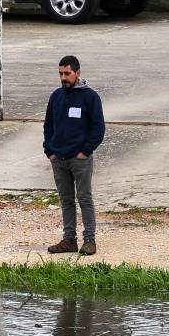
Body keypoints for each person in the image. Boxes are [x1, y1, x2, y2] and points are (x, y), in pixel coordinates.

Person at [43, 55, 105, 256]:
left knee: (84, 198)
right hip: (58, 159)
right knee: (66, 199)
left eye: (67, 73)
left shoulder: (90, 97)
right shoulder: (56, 96)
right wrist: (49, 150)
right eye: (60, 73)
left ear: (78, 73)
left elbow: (98, 129)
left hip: (80, 159)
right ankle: (69, 239)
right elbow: (48, 125)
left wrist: (84, 151)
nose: (63, 77)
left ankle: (89, 240)